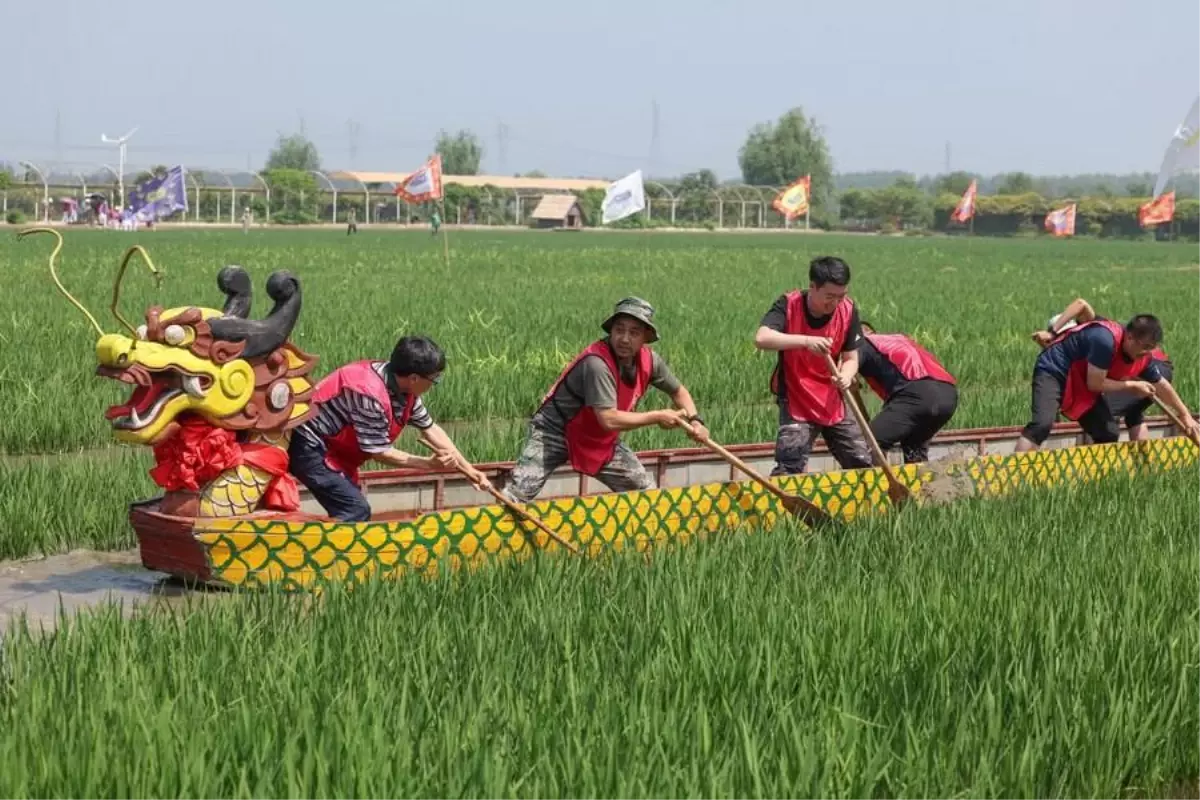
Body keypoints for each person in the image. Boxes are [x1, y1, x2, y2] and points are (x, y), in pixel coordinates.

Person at [499, 297, 709, 503]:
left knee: (644, 492)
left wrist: (696, 421)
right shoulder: (597, 363)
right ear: (611, 331)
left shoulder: (650, 361)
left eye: (634, 332)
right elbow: (608, 419)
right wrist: (657, 416)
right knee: (517, 496)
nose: (624, 338)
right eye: (619, 330)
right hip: (553, 432)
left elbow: (679, 392)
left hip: (597, 437)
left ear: (645, 337)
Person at [288, 335, 489, 521]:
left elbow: (430, 428)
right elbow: (378, 452)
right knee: (356, 510)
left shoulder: (403, 388)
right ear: (414, 378)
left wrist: (470, 470)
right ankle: (331, 555)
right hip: (309, 446)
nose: (434, 385)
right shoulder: (369, 394)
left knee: (353, 504)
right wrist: (428, 464)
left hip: (334, 451)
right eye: (434, 379)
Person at [753, 256, 873, 475]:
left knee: (860, 459)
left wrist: (846, 376)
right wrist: (806, 341)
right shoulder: (789, 304)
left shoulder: (848, 310)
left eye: (841, 296)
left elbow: (850, 359)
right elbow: (761, 338)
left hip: (832, 396)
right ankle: (785, 505)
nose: (835, 303)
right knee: (790, 464)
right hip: (797, 396)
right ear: (813, 288)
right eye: (829, 296)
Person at [1016, 312, 1200, 452]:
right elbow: (1095, 385)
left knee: (1108, 432)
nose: (1146, 352)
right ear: (1129, 337)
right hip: (1055, 371)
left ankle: (1094, 479)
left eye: (1151, 348)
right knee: (1042, 424)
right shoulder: (1105, 341)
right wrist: (1132, 385)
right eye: (1144, 347)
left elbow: (1161, 385)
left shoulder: (1142, 357)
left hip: (1082, 379)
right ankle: (1015, 474)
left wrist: (1185, 415)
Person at [1033, 298, 1177, 442]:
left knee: (1103, 413)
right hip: (1161, 366)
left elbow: (1080, 304)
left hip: (1151, 367)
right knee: (1132, 412)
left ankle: (1098, 456)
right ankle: (1142, 462)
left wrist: (1052, 332)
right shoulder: (1100, 332)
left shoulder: (1094, 332)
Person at [852, 321, 958, 463]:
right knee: (914, 448)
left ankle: (877, 483)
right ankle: (924, 483)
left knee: (870, 443)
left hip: (917, 394)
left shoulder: (862, 343)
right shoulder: (897, 340)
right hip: (948, 395)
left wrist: (847, 373)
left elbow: (849, 372)